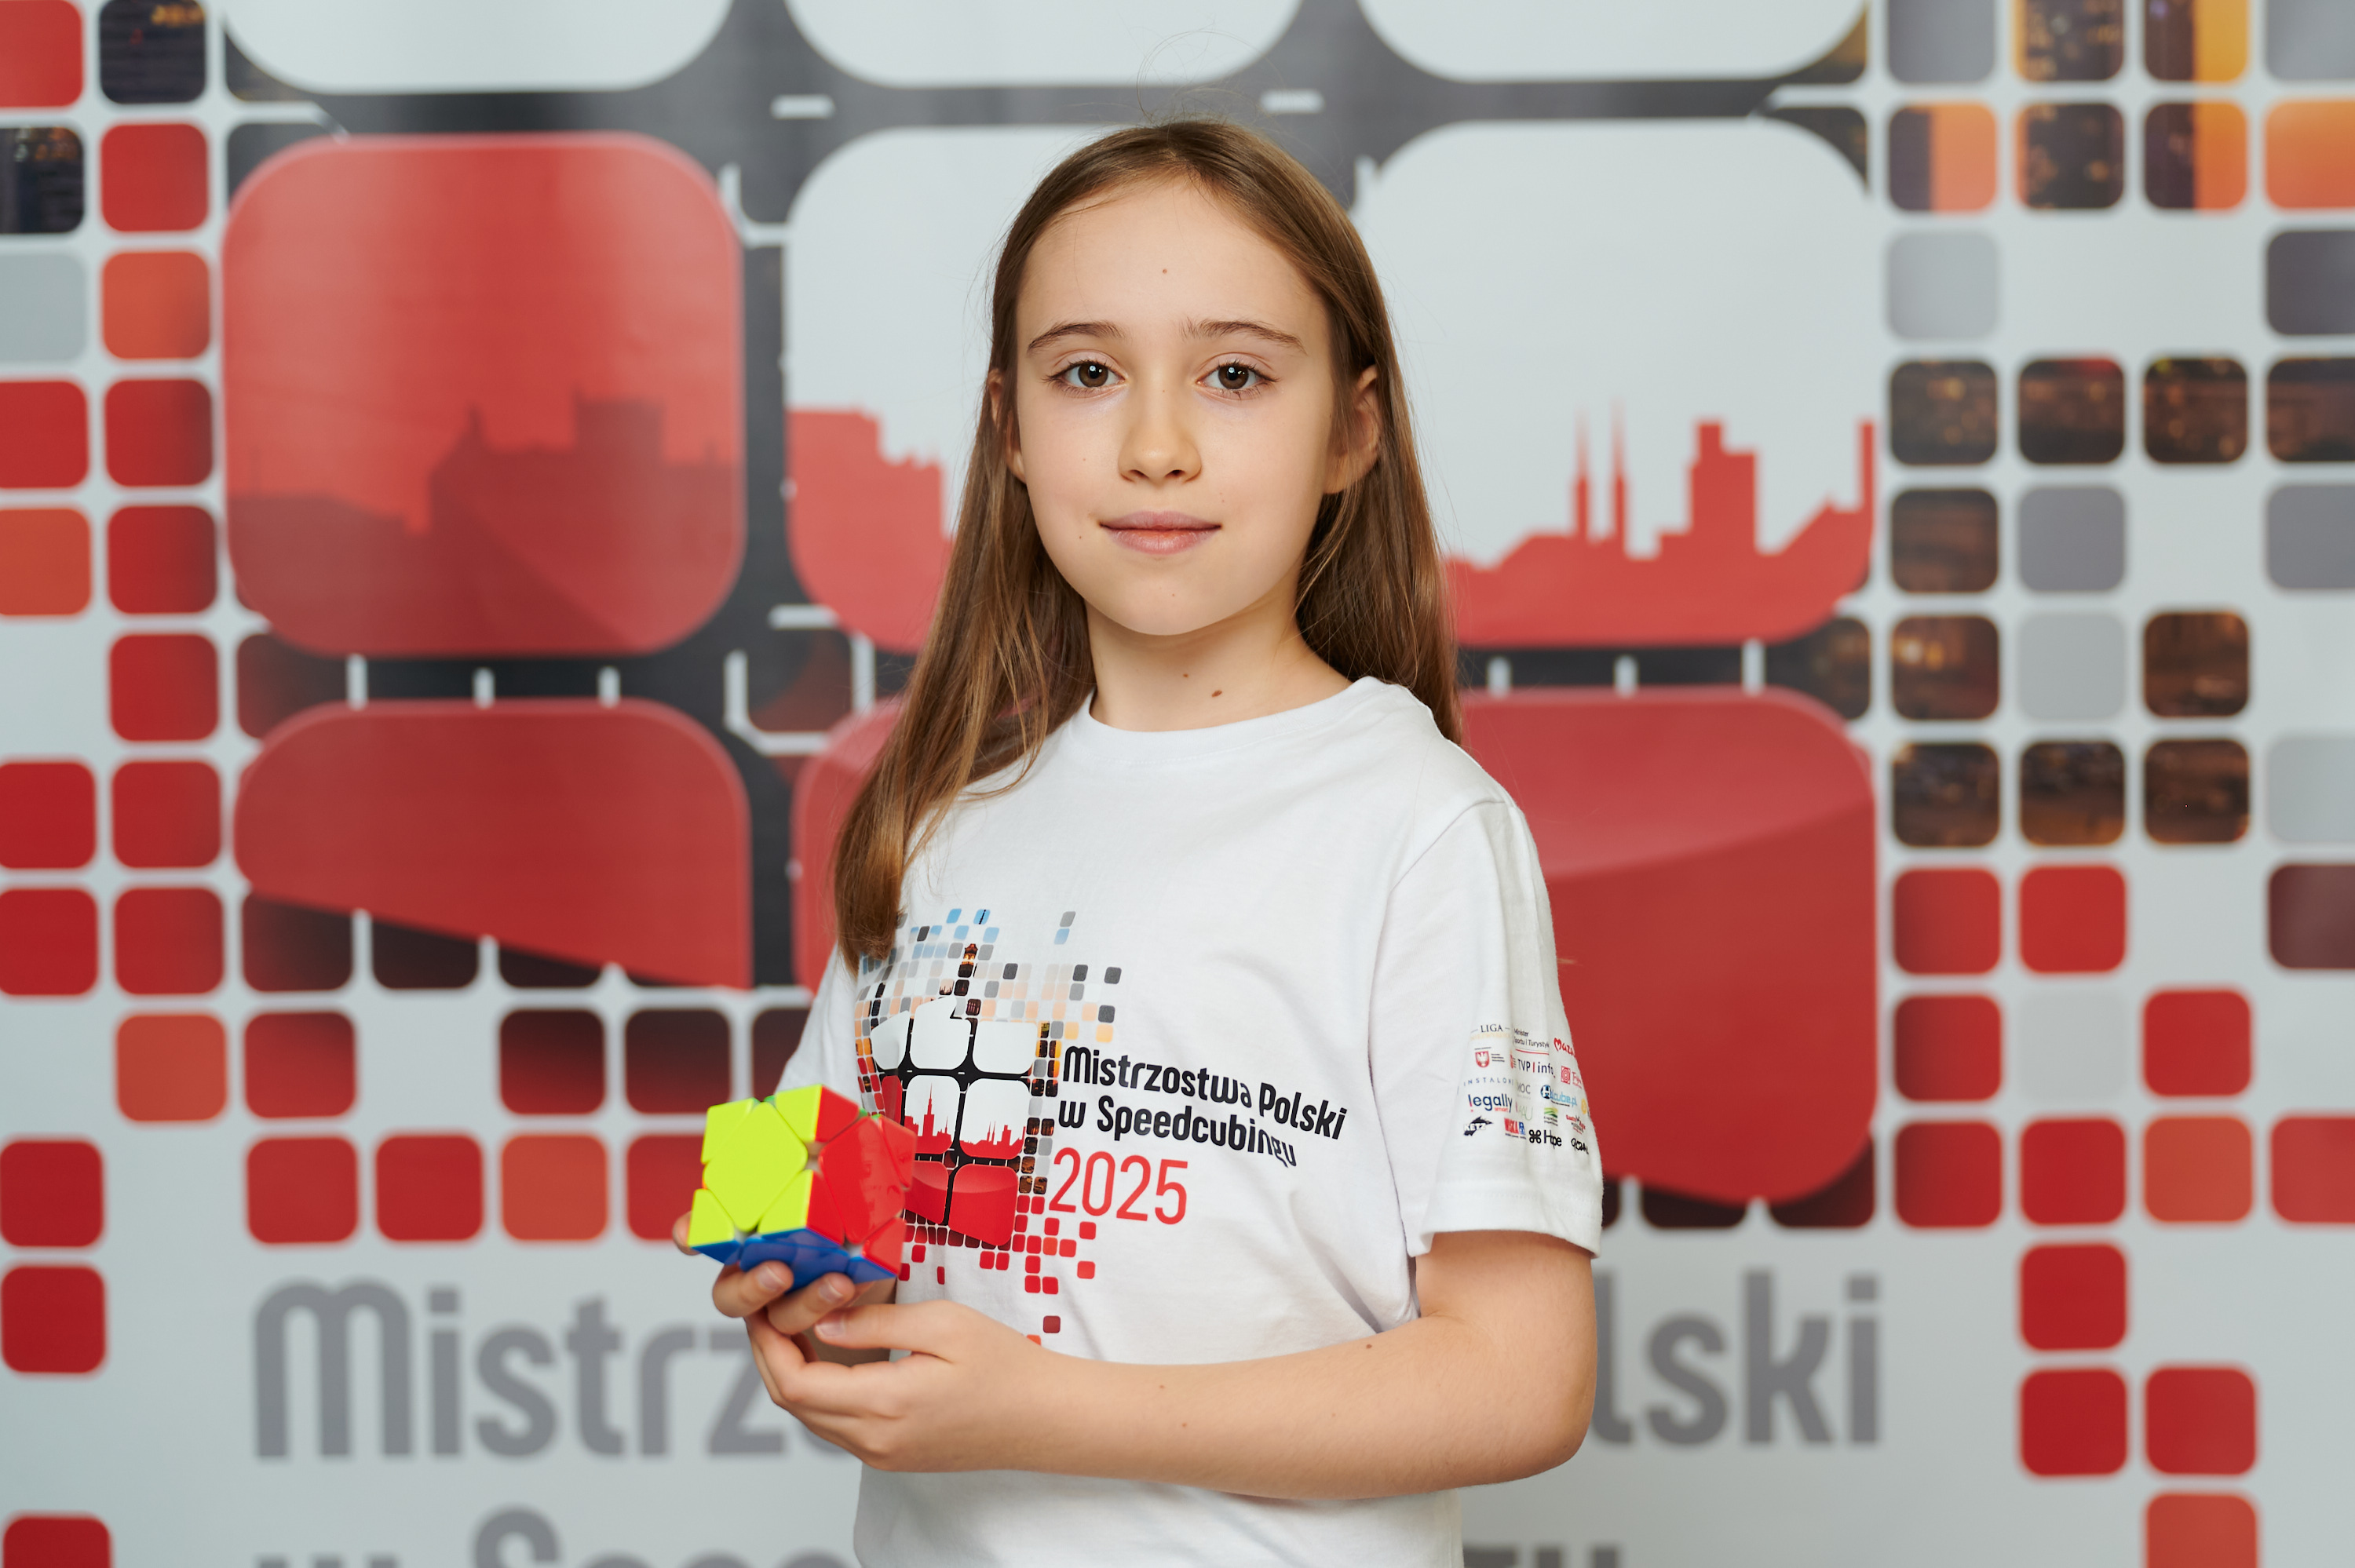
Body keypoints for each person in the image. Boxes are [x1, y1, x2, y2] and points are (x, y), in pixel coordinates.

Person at [675, 117, 1602, 1566]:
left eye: (1235, 375)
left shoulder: (1422, 826)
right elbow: (808, 1198)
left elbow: (1523, 1378)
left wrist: (1041, 1408)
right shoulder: (938, 821)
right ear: (1008, 426)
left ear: (1352, 431)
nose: (1156, 446)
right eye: (1087, 374)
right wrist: (793, 1284)